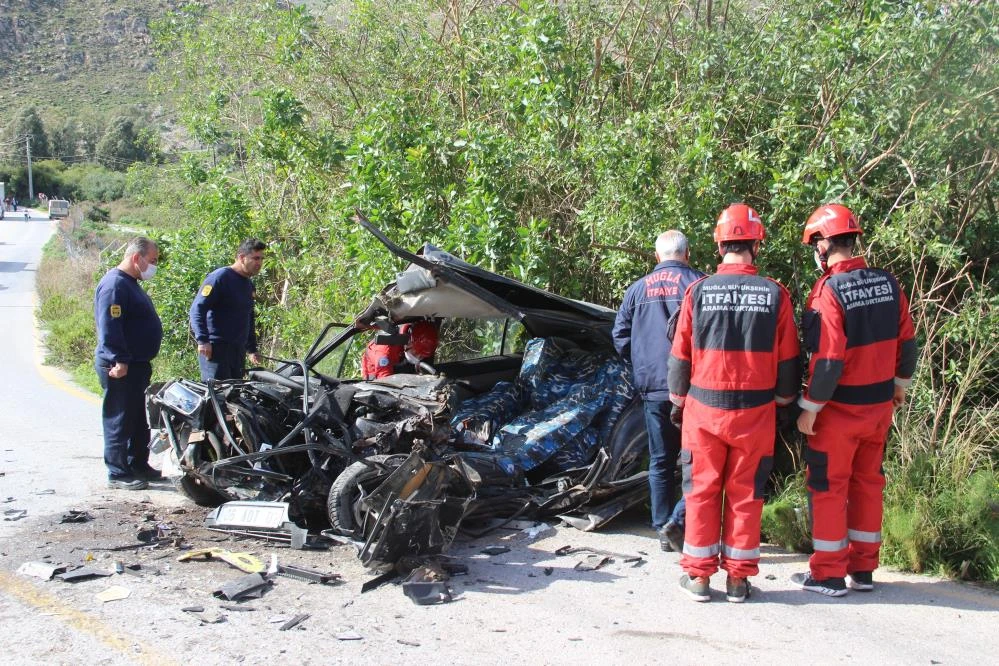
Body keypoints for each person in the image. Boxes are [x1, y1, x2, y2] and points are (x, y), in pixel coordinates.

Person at [668, 204, 800, 602]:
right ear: (756, 244)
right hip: (755, 414)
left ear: (720, 243)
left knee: (702, 492)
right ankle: (738, 581)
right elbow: (789, 362)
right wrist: (783, 404)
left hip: (703, 413)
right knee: (747, 495)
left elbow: (680, 357)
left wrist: (678, 403)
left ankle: (698, 578)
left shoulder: (698, 291)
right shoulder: (775, 295)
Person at [791, 204, 918, 597]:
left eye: (816, 243)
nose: (816, 252)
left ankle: (828, 573)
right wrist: (900, 384)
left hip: (838, 412)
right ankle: (862, 570)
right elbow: (908, 343)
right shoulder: (888, 282)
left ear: (826, 244)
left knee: (829, 487)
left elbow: (828, 360)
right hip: (879, 408)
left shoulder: (829, 290)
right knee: (868, 484)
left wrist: (810, 408)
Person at [612, 230, 704, 553]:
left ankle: (662, 526)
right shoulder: (699, 284)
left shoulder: (636, 290)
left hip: (652, 387)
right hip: (694, 388)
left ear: (657, 257)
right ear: (687, 254)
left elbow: (620, 336)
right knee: (696, 459)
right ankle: (685, 524)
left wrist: (640, 363)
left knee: (661, 459)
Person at [94, 237, 163, 490]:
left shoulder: (130, 283)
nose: (154, 266)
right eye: (152, 260)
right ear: (137, 258)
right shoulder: (115, 285)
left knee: (136, 418)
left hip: (136, 364)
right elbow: (110, 327)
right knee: (119, 418)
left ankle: (138, 464)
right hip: (121, 365)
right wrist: (119, 359)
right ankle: (118, 472)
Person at [189, 239, 266, 381]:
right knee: (217, 396)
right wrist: (202, 340)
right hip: (216, 350)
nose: (259, 263)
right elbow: (197, 310)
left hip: (237, 351)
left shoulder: (248, 284)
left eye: (261, 259)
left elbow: (248, 317)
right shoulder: (220, 278)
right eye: (256, 258)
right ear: (242, 257)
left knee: (235, 397)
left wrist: (251, 349)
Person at [361, 321, 439, 379]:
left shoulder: (419, 336)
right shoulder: (384, 351)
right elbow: (385, 382)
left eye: (421, 356)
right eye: (415, 353)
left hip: (399, 357)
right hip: (375, 373)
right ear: (409, 342)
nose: (417, 358)